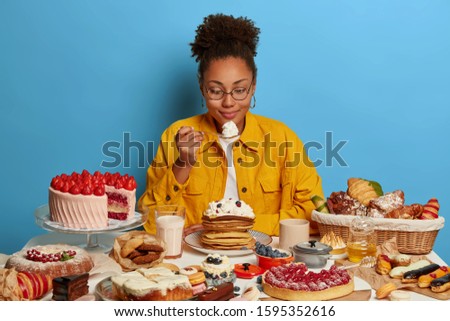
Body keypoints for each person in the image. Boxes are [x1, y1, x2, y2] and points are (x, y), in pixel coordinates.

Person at [138, 13, 324, 236]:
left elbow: (314, 213)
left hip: (263, 257)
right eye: (216, 91)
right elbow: (149, 221)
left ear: (253, 86)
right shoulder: (176, 136)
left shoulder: (282, 138)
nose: (228, 102)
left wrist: (239, 224)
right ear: (201, 87)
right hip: (193, 260)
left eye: (239, 90)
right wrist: (183, 163)